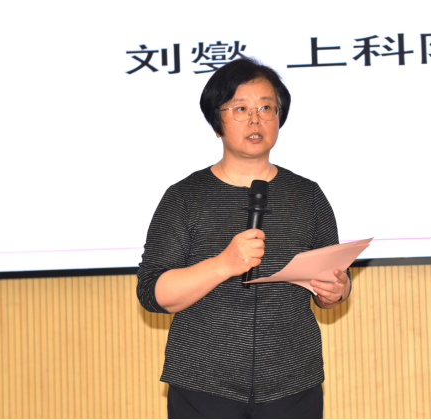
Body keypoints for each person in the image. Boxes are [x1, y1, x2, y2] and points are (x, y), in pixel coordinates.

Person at [137, 57, 351, 419]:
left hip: (293, 384)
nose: (256, 119)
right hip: (202, 386)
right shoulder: (184, 197)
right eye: (240, 109)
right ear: (216, 122)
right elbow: (152, 293)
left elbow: (333, 282)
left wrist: (337, 291)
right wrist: (224, 264)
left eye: (266, 108)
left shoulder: (307, 195)